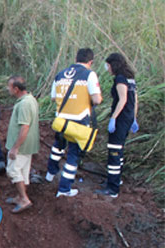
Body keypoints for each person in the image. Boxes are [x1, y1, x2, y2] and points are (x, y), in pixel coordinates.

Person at [46, 48, 102, 197]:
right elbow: (97, 99)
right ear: (90, 62)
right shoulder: (89, 75)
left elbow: (53, 97)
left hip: (61, 120)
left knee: (58, 146)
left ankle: (50, 174)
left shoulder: (60, 74)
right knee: (73, 154)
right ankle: (64, 189)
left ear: (76, 58)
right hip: (79, 120)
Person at [95, 53, 138, 198]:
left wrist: (113, 118)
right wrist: (134, 118)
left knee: (114, 151)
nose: (107, 68)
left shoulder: (120, 78)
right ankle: (115, 180)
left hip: (120, 119)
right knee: (119, 150)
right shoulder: (130, 77)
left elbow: (123, 99)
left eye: (108, 65)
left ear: (114, 64)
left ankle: (112, 189)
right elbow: (135, 100)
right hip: (127, 118)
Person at [4, 76, 40, 213]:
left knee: (12, 171)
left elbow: (24, 127)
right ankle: (20, 196)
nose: (8, 89)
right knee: (23, 171)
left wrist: (15, 148)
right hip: (28, 145)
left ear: (16, 89)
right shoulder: (30, 99)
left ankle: (24, 199)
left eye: (9, 87)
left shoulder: (24, 104)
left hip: (22, 146)